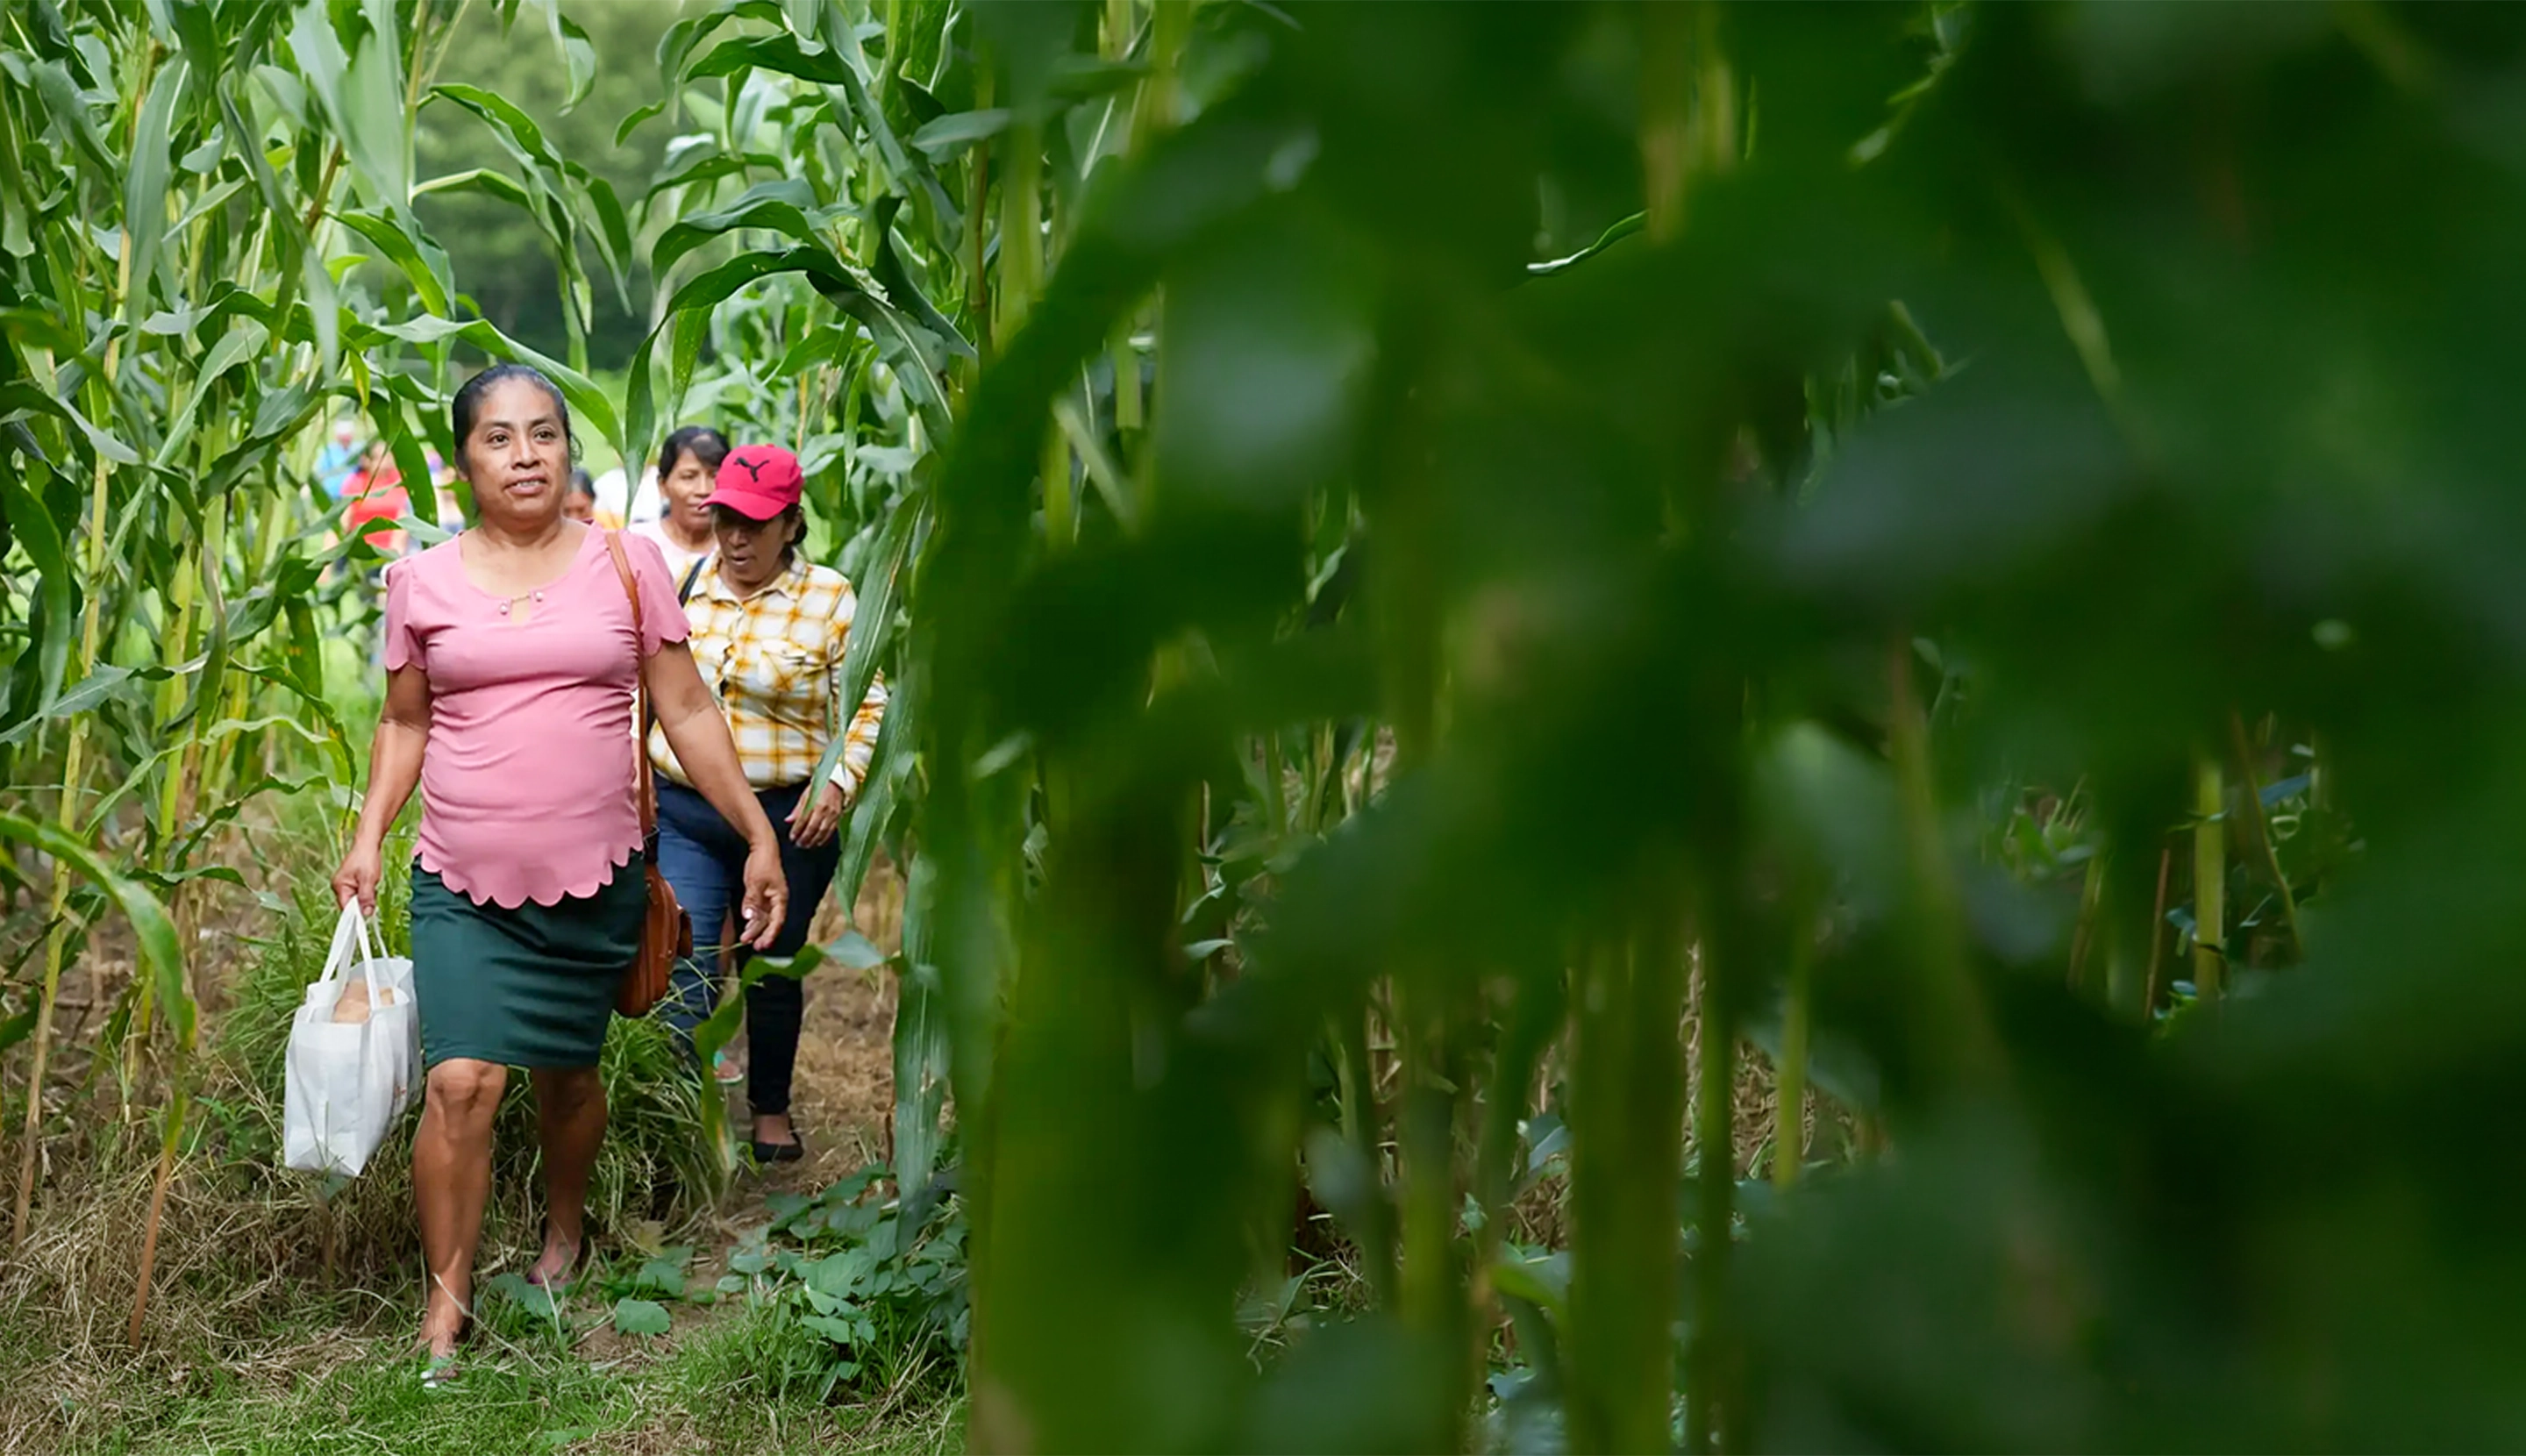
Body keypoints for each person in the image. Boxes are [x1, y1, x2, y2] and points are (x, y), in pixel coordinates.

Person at [330, 364, 789, 1386]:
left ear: (567, 451)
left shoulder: (629, 565)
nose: (526, 454)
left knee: (569, 1080)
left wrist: (756, 831)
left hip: (599, 878)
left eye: (544, 434)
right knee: (461, 1082)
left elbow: (688, 710)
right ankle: (444, 1306)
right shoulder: (422, 581)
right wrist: (368, 835)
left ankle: (565, 1232)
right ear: (463, 462)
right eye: (499, 438)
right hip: (462, 878)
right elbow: (405, 721)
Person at [649, 443, 887, 1165]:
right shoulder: (688, 585)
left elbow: (868, 705)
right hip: (689, 811)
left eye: (756, 524)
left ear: (791, 524)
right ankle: (673, 1131)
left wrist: (837, 782)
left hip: (789, 817)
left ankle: (771, 1111)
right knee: (683, 966)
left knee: (770, 962)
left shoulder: (832, 599)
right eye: (726, 521)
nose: (737, 539)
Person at [631, 426, 727, 582]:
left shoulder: (740, 550)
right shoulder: (636, 545)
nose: (703, 490)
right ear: (663, 485)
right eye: (689, 477)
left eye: (714, 476)